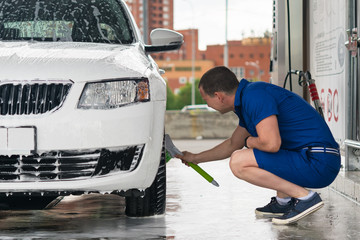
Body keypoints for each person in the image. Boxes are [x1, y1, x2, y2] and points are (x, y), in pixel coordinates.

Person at [177, 66, 340, 225]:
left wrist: (249, 142)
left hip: (319, 161)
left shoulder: (255, 96)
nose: (207, 105)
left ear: (218, 96)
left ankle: (306, 198)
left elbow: (271, 144)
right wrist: (194, 158)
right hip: (314, 158)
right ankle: (283, 203)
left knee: (238, 161)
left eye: (206, 100)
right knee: (244, 154)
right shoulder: (248, 99)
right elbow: (233, 144)